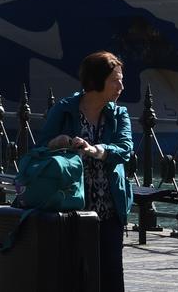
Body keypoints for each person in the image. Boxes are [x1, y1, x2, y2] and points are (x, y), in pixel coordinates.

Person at [39, 51, 133, 292]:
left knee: (112, 273)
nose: (121, 86)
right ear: (96, 81)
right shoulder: (64, 109)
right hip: (71, 206)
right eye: (115, 80)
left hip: (110, 207)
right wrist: (59, 142)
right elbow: (39, 148)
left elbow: (125, 148)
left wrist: (95, 149)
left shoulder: (119, 113)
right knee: (73, 272)